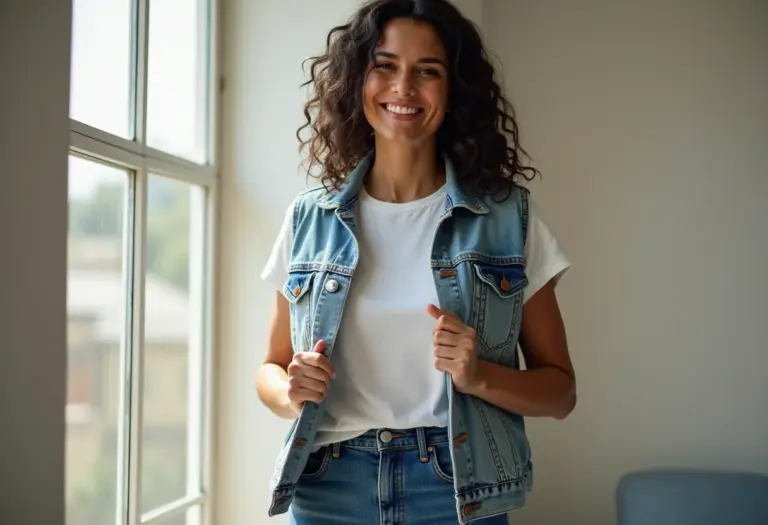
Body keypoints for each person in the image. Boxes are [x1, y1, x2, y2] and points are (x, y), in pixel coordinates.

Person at [256, 0, 576, 523]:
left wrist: (478, 376)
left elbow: (560, 391)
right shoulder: (307, 218)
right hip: (327, 488)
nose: (403, 88)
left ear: (453, 92)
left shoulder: (507, 219)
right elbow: (269, 370)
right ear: (358, 81)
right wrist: (290, 390)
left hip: (456, 490)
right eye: (385, 66)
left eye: (427, 71)